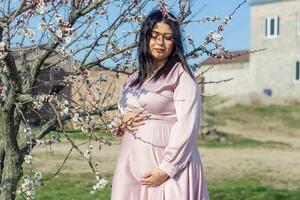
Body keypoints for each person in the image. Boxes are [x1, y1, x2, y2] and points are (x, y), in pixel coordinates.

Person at [110, 9, 209, 200]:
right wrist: (122, 122)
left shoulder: (182, 78)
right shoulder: (134, 79)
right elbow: (125, 111)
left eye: (167, 37)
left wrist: (166, 169)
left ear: (175, 42)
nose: (160, 43)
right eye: (154, 36)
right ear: (145, 38)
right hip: (131, 165)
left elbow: (187, 126)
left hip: (169, 171)